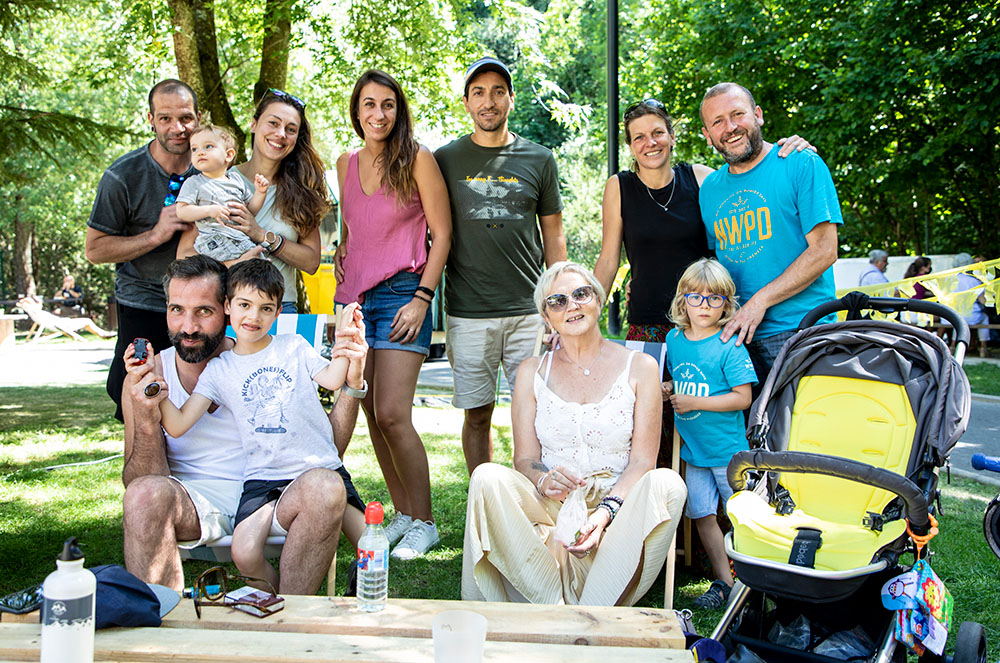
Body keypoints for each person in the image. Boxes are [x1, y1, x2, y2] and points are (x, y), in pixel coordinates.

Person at [120, 255, 368, 594]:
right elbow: (140, 476)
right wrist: (149, 412)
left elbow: (324, 448)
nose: (189, 326)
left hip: (275, 492)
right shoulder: (152, 376)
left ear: (224, 309)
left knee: (335, 498)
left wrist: (352, 374)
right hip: (194, 501)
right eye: (177, 309)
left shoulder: (280, 354)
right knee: (142, 494)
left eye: (203, 311)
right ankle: (163, 631)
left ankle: (288, 626)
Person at [592, 99, 811, 464]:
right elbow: (609, 259)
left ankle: (717, 514)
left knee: (709, 422)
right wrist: (585, 311)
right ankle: (657, 514)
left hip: (705, 325)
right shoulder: (620, 187)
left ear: (672, 136)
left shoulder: (701, 177)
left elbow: (747, 185)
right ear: (630, 146)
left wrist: (793, 150)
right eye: (639, 137)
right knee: (647, 426)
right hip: (647, 327)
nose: (651, 143)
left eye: (658, 133)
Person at [462, 262, 687, 605]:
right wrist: (542, 480)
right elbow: (525, 459)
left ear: (598, 299)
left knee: (670, 485)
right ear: (546, 316)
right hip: (551, 504)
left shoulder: (641, 367)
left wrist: (605, 513)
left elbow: (643, 461)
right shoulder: (531, 371)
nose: (572, 306)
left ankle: (588, 612)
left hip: (616, 508)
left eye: (581, 294)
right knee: (486, 477)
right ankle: (556, 609)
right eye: (557, 301)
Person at [332, 70, 452, 559]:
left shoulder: (417, 159)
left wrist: (422, 298)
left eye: (387, 104)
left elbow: (442, 236)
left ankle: (425, 522)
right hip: (353, 301)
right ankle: (402, 513)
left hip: (405, 293)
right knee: (369, 414)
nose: (378, 114)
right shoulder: (344, 163)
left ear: (398, 110)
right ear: (356, 111)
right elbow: (353, 228)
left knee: (393, 413)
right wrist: (341, 248)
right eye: (368, 104)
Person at [435, 56, 567, 474]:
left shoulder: (539, 158)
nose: (488, 101)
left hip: (529, 311)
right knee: (477, 414)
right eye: (478, 93)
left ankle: (534, 495)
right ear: (466, 102)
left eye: (497, 92)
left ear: (511, 99)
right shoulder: (444, 159)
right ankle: (484, 495)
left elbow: (554, 236)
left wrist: (558, 304)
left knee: (538, 412)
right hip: (468, 312)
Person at [698, 82, 842, 384]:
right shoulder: (710, 190)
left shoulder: (802, 163)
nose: (731, 127)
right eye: (718, 122)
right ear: (707, 136)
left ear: (758, 115)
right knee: (746, 432)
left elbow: (825, 251)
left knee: (802, 430)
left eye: (738, 114)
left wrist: (759, 301)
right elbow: (716, 263)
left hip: (800, 330)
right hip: (735, 337)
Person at [86, 79, 200, 421]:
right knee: (136, 395)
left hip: (199, 304)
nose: (177, 128)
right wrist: (154, 235)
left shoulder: (213, 169)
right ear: (150, 119)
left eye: (185, 118)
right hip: (143, 301)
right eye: (165, 118)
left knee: (196, 399)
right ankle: (142, 473)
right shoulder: (122, 176)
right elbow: (95, 249)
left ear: (198, 117)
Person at [177, 88, 329, 313]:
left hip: (279, 305)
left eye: (291, 129)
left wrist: (261, 235)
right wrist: (228, 265)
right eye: (273, 123)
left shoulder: (301, 191)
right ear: (254, 124)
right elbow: (184, 255)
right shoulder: (216, 178)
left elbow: (311, 262)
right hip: (226, 305)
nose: (281, 134)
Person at [664, 258, 757, 609]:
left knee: (742, 518)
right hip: (693, 451)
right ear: (682, 300)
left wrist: (691, 400)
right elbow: (683, 380)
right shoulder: (675, 340)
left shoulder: (729, 344)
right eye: (696, 297)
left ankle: (752, 583)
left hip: (727, 453)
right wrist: (670, 388)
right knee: (702, 516)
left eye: (715, 298)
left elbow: (742, 397)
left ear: (727, 303)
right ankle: (725, 583)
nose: (705, 306)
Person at [174, 124, 270, 262]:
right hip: (213, 238)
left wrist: (260, 193)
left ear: (229, 155)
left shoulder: (236, 180)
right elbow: (182, 211)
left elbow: (250, 212)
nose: (200, 152)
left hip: (238, 237)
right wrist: (209, 210)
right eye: (194, 149)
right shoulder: (194, 183)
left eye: (208, 146)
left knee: (259, 265)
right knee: (245, 262)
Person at [953, 253, 990, 357]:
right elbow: (983, 301)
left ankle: (952, 346)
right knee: (985, 318)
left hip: (953, 315)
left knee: (958, 320)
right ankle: (983, 347)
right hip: (972, 315)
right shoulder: (974, 281)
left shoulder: (950, 280)